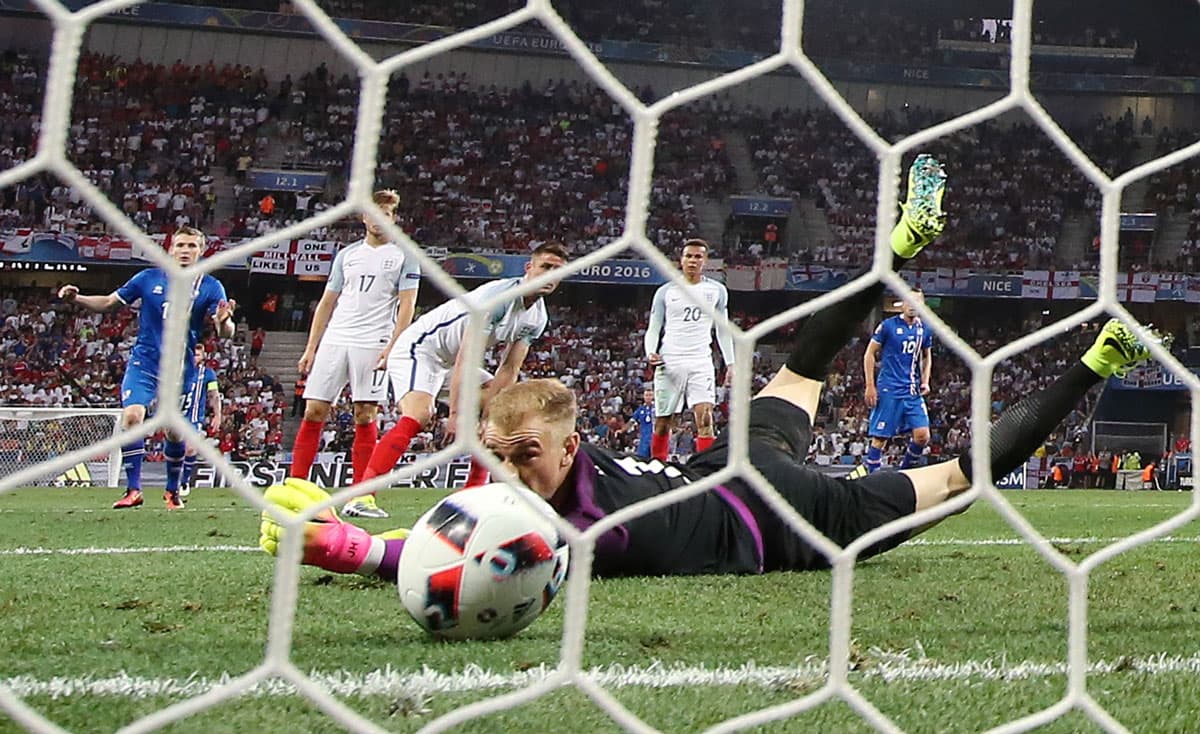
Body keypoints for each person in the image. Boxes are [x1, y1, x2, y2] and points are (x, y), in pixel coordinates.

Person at [260, 155, 1160, 582]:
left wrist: (344, 546)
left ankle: (1071, 350)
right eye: (498, 451)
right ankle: (1073, 344)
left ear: (568, 446)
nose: (506, 464)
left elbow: (467, 561)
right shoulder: (548, 483)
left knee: (959, 471)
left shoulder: (576, 524)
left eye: (521, 451)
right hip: (733, 469)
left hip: (781, 519)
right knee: (828, 386)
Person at [361, 242, 569, 490]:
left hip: (450, 361)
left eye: (557, 270)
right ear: (529, 268)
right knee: (419, 415)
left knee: (502, 418)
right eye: (545, 266)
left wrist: (489, 417)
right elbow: (467, 357)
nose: (550, 275)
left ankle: (471, 494)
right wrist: (457, 415)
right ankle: (363, 494)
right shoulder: (499, 299)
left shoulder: (537, 318)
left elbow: (509, 370)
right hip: (422, 349)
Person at [58, 226, 235, 509]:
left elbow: (225, 330)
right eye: (180, 245)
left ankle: (172, 490)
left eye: (191, 246)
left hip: (180, 369)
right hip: (145, 361)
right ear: (170, 249)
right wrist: (76, 298)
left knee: (174, 432)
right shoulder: (147, 278)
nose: (185, 251)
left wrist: (224, 321)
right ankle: (133, 490)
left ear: (201, 252)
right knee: (132, 416)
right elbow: (107, 303)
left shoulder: (211, 287)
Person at [289, 190, 420, 519]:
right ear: (364, 218)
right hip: (336, 338)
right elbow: (327, 302)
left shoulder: (404, 255)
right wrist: (311, 347)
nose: (380, 221)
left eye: (387, 215)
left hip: (373, 340)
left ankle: (361, 496)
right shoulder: (347, 255)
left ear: (394, 219)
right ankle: (295, 490)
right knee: (314, 410)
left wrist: (393, 346)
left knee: (365, 414)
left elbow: (407, 306)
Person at [644, 239, 734, 461]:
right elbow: (654, 328)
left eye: (698, 257)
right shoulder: (665, 292)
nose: (693, 261)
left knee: (705, 419)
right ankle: (658, 466)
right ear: (681, 260)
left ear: (705, 261)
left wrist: (730, 363)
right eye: (689, 256)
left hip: (700, 362)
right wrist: (650, 351)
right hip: (669, 361)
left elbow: (722, 330)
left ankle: (706, 472)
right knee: (664, 422)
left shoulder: (716, 291)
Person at [862, 289, 933, 473]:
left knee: (922, 436)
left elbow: (926, 357)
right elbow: (869, 353)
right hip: (889, 390)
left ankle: (904, 473)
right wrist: (870, 385)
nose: (912, 305)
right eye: (908, 301)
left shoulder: (924, 329)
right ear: (902, 303)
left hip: (912, 391)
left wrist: (925, 380)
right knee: (880, 439)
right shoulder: (888, 326)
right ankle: (873, 481)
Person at [179, 343, 222, 499]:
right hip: (176, 416)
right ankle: (172, 484)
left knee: (190, 448)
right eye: (193, 354)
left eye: (198, 354)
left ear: (203, 356)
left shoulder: (208, 374)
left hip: (194, 418)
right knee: (175, 450)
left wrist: (217, 415)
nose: (195, 357)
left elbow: (214, 394)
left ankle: (184, 482)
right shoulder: (179, 371)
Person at [629, 387, 655, 458]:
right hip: (644, 439)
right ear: (643, 397)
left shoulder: (657, 408)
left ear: (653, 396)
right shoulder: (640, 409)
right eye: (646, 395)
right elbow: (631, 421)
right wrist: (622, 430)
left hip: (655, 437)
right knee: (642, 459)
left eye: (650, 395)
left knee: (656, 460)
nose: (648, 397)